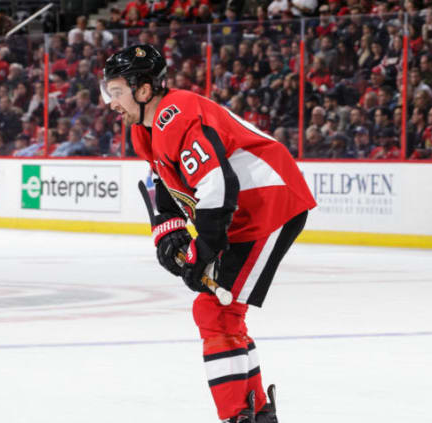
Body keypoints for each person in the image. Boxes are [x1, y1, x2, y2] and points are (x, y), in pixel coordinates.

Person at [102, 45, 316, 423]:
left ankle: (240, 416)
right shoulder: (145, 129)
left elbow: (217, 184)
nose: (111, 102)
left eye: (117, 91)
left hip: (269, 204)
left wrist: (202, 250)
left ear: (144, 89)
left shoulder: (176, 114)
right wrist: (169, 235)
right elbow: (167, 186)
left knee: (216, 310)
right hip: (246, 211)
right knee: (221, 312)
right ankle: (254, 414)